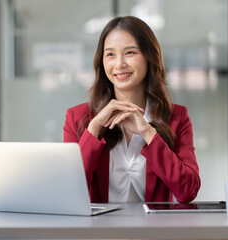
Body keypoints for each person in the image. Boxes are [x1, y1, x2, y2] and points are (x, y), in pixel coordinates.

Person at [63, 16, 200, 203]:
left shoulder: (177, 117)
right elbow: (67, 191)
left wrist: (148, 133)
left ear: (149, 57)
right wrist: (93, 130)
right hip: (98, 231)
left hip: (154, 231)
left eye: (130, 52)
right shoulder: (78, 118)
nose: (119, 64)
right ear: (101, 62)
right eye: (110, 54)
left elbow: (188, 191)